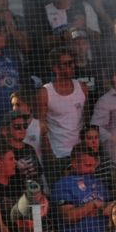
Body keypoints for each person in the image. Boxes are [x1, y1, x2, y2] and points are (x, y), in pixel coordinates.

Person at [53, 144, 109, 232]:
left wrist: (85, 210)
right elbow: (68, 216)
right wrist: (93, 204)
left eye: (93, 165)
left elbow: (108, 209)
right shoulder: (63, 184)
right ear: (74, 163)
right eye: (87, 165)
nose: (91, 169)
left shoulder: (99, 184)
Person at [37, 47, 88, 184]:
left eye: (72, 62)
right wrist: (49, 155)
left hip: (80, 152)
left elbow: (87, 119)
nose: (72, 66)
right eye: (67, 64)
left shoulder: (82, 87)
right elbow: (40, 125)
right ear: (56, 69)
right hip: (57, 155)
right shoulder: (45, 92)